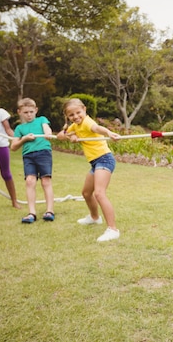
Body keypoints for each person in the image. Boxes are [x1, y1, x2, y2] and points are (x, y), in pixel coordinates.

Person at [56, 98, 121, 242]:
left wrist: (109, 133)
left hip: (104, 159)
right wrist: (70, 134)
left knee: (99, 193)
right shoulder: (75, 125)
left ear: (84, 110)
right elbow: (59, 136)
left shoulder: (87, 122)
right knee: (86, 193)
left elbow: (97, 129)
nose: (76, 117)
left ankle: (113, 229)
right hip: (95, 162)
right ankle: (94, 217)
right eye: (71, 115)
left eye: (78, 112)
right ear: (68, 117)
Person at [11, 98, 55, 224]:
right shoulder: (19, 128)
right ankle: (31, 213)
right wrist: (24, 139)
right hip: (28, 156)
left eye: (31, 111)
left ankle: (49, 211)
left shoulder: (42, 120)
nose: (29, 115)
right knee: (30, 181)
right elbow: (13, 147)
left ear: (36, 110)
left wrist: (48, 133)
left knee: (46, 181)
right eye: (25, 112)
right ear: (19, 112)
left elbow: (47, 129)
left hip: (43, 153)